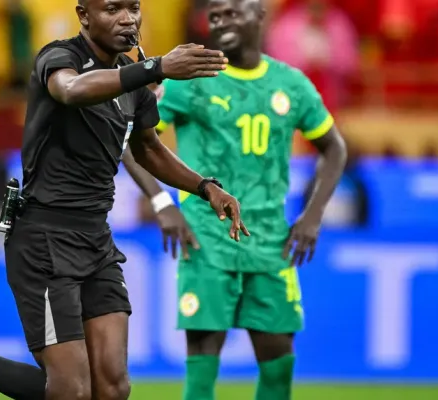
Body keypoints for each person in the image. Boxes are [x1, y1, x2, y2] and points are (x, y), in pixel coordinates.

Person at [0, 0, 250, 399]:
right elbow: (71, 90)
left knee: (113, 387)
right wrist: (157, 67)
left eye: (133, 8)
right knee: (71, 392)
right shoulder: (61, 58)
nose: (127, 18)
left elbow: (148, 149)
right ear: (84, 16)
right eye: (112, 8)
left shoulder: (131, 83)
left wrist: (205, 187)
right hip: (44, 237)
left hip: (96, 238)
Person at [142, 0, 348, 398]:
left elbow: (334, 148)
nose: (221, 22)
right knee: (202, 367)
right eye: (215, 16)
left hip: (270, 242)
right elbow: (137, 142)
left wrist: (312, 216)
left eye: (232, 13)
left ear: (260, 15)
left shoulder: (291, 84)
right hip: (206, 240)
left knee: (279, 367)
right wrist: (162, 203)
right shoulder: (190, 80)